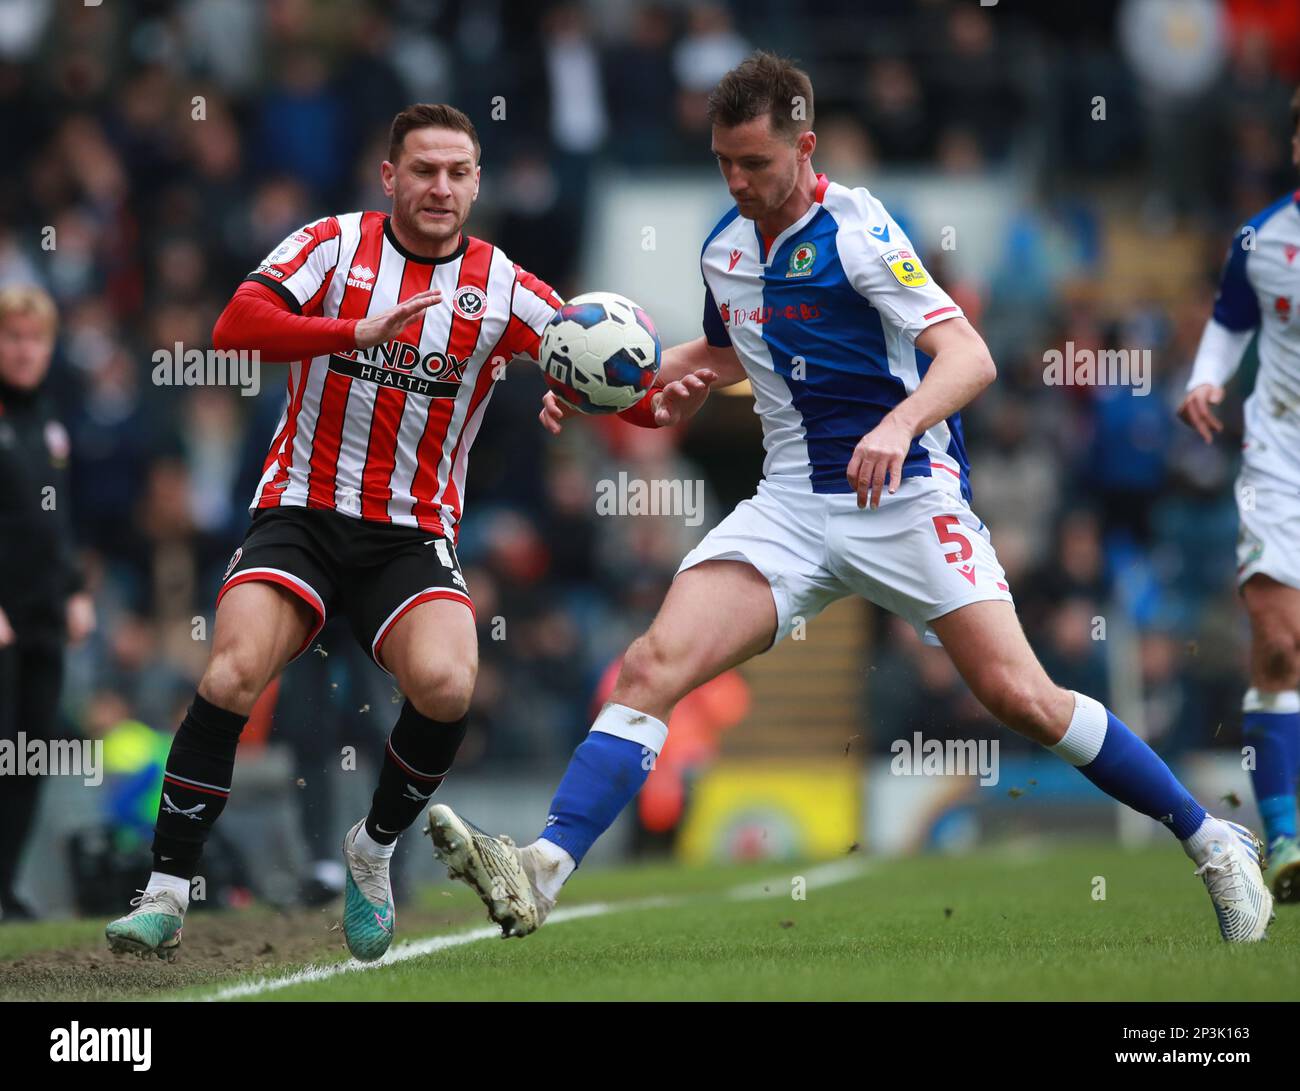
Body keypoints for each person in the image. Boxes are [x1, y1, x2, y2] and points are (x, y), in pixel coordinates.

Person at [427, 53, 1275, 944]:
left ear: (806, 145)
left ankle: (1215, 840)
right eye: (723, 162)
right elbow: (727, 356)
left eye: (755, 163)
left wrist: (899, 425)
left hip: (906, 498)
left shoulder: (862, 231)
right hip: (792, 504)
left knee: (1022, 696)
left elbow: (970, 358)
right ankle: (543, 870)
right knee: (649, 665)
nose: (738, 181)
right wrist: (612, 380)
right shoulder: (724, 246)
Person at [103, 103, 713, 963]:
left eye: (458, 172)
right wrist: (353, 329)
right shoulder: (328, 245)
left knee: (449, 683)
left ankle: (372, 847)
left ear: (476, 182)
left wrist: (653, 402)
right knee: (233, 669)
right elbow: (233, 326)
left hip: (411, 532)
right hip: (302, 513)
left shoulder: (502, 285)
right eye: (423, 170)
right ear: (389, 176)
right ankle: (165, 893)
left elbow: (600, 371)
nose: (440, 187)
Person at [1176, 86, 1300, 903]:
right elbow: (1230, 320)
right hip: (1279, 461)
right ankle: (1287, 837)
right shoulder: (1263, 240)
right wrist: (1204, 379)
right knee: (1280, 640)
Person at [0, 285, 96, 922]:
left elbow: (58, 523)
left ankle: (5, 884)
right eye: (12, 337)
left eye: (36, 338)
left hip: (42, 620)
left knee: (31, 755)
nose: (25, 349)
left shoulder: (52, 423)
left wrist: (76, 591)